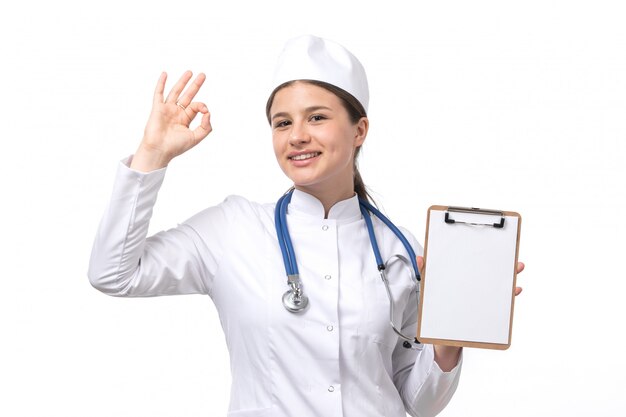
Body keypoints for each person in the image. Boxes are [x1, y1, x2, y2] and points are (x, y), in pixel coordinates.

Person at [89, 35, 523, 417]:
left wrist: (449, 338)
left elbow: (419, 403)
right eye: (282, 122)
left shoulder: (400, 249)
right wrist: (152, 153)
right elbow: (113, 274)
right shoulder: (233, 229)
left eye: (316, 117)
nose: (296, 135)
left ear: (359, 130)